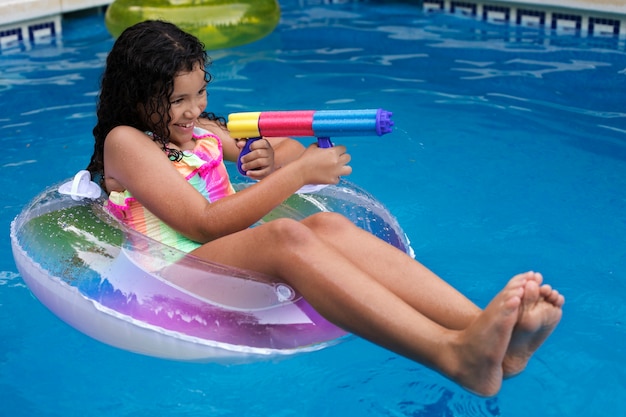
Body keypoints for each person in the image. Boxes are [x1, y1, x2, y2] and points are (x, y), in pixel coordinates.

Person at [87, 20, 564, 397]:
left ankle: (487, 337)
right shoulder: (126, 142)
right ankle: (452, 355)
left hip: (223, 254)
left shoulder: (203, 130)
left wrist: (276, 159)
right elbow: (202, 224)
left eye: (199, 94)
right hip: (171, 270)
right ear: (139, 96)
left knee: (326, 225)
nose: (193, 110)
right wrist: (297, 174)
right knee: (285, 235)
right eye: (177, 100)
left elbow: (289, 149)